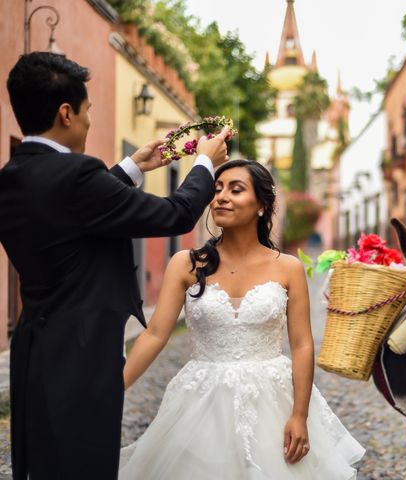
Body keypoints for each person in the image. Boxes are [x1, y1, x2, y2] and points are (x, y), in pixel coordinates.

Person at [0, 52, 229, 480]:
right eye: (87, 112)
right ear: (66, 112)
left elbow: (67, 212)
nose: (88, 122)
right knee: (86, 464)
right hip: (83, 355)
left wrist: (131, 168)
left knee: (45, 465)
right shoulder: (77, 176)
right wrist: (204, 162)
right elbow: (176, 214)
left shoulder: (13, 175)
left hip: (34, 350)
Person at [118, 159, 365, 479]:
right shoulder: (185, 264)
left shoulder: (287, 268)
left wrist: (299, 415)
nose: (221, 197)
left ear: (262, 205)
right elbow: (154, 335)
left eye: (236, 190)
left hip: (271, 402)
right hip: (200, 400)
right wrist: (113, 389)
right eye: (216, 189)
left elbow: (302, 345)